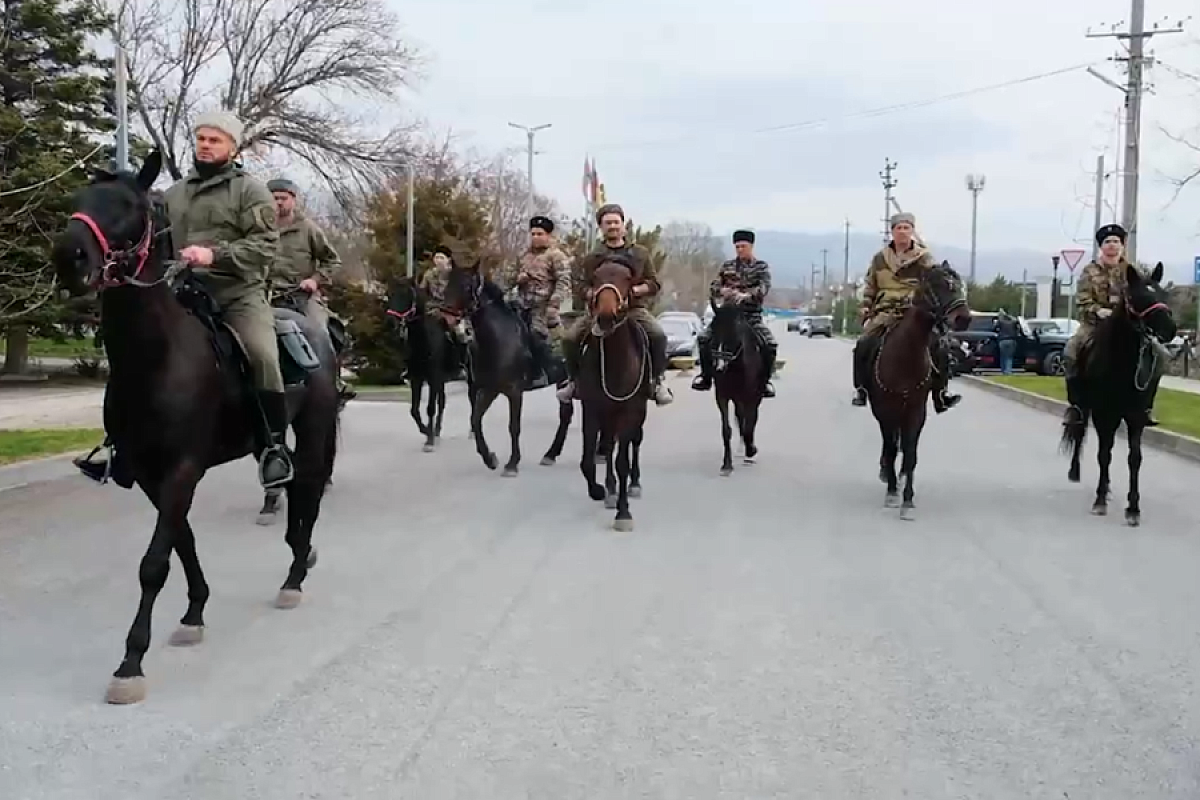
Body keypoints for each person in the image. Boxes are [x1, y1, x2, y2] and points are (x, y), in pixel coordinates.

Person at [75, 110, 293, 488]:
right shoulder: (175, 193)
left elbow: (265, 247)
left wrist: (215, 255)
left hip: (238, 293)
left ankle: (273, 446)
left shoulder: (251, 191)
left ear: (233, 146)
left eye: (215, 140)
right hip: (184, 290)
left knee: (262, 353)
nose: (206, 146)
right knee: (136, 351)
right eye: (201, 139)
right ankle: (121, 446)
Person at [557, 203, 673, 406]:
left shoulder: (640, 253)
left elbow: (654, 283)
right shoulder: (593, 257)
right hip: (598, 310)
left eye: (616, 222)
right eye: (607, 223)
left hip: (633, 309)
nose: (612, 226)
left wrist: (636, 290)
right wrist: (592, 294)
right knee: (569, 338)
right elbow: (581, 285)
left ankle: (656, 382)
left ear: (623, 225)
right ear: (601, 227)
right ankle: (573, 381)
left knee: (658, 335)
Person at [851, 212, 962, 413]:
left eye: (906, 228)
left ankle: (941, 393)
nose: (902, 232)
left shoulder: (923, 257)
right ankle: (861, 389)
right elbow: (871, 285)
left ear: (912, 231)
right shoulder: (879, 259)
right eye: (898, 228)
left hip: (916, 309)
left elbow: (935, 280)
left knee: (941, 345)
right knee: (864, 343)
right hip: (885, 309)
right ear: (892, 231)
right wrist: (866, 305)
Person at [1063, 222, 1166, 427]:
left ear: (1122, 245)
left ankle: (1146, 407)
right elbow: (1083, 301)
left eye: (1116, 241)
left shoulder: (1132, 271)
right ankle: (1076, 407)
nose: (1112, 245)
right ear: (1101, 246)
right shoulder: (1089, 271)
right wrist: (1098, 310)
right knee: (1071, 351)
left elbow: (1143, 296)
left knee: (1159, 355)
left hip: (1128, 325)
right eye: (1108, 242)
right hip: (1095, 324)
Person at [265, 177, 355, 401]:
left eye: (283, 198)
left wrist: (315, 279)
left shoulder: (308, 229)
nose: (278, 203)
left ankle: (333, 382)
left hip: (300, 296)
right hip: (264, 296)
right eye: (274, 198)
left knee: (321, 331)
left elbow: (332, 261)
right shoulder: (259, 228)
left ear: (293, 200)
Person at [690, 229, 777, 397]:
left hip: (750, 316)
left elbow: (764, 287)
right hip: (727, 316)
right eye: (737, 247)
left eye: (743, 246)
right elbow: (714, 286)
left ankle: (765, 381)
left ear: (751, 246)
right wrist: (723, 291)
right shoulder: (727, 266)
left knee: (770, 345)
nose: (740, 250)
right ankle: (706, 377)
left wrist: (746, 296)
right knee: (703, 339)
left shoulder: (761, 267)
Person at [500, 215, 572, 387]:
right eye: (533, 234)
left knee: (536, 334)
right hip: (521, 304)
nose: (535, 237)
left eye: (540, 234)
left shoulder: (556, 256)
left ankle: (542, 372)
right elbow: (507, 278)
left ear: (548, 235)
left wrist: (553, 304)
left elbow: (563, 281)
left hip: (543, 306)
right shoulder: (523, 255)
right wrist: (517, 279)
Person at [994, 308, 1020, 375]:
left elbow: (994, 328)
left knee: (1003, 356)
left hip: (1002, 340)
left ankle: (1004, 371)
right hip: (1011, 340)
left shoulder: (1001, 322)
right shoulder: (1013, 322)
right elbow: (1018, 326)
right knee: (1009, 357)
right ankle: (1008, 371)